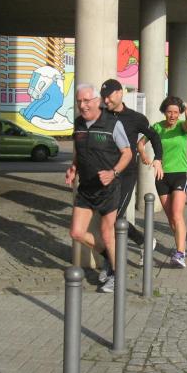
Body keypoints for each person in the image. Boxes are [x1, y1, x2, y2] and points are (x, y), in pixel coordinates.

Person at [65, 84, 132, 293]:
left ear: (97, 101)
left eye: (86, 101)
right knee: (76, 232)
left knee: (107, 233)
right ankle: (111, 260)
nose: (82, 105)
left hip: (108, 188)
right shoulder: (78, 124)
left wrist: (113, 172)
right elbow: (80, 151)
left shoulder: (112, 124)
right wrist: (73, 168)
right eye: (79, 101)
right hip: (86, 188)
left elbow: (127, 153)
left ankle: (118, 277)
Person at [100, 79, 163, 257]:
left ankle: (113, 263)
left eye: (109, 96)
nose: (106, 100)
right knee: (106, 215)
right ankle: (142, 241)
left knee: (114, 217)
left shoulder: (136, 118)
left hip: (126, 174)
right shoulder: (100, 115)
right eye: (103, 97)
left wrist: (158, 158)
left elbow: (154, 136)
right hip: (105, 174)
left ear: (120, 93)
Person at [137, 96, 187, 269]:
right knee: (171, 218)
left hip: (180, 174)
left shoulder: (182, 126)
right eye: (169, 112)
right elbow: (140, 143)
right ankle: (181, 238)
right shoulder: (157, 127)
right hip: (161, 176)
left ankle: (180, 254)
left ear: (180, 113)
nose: (172, 115)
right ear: (164, 112)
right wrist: (143, 155)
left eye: (176, 112)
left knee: (177, 214)